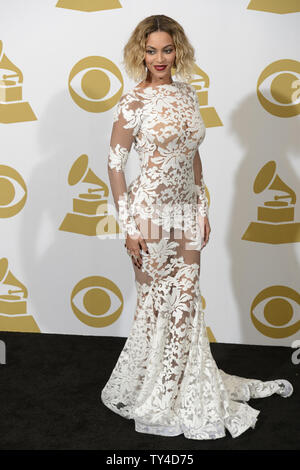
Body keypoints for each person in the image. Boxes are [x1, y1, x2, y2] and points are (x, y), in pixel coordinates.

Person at [100, 14, 293, 440]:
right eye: (151, 51)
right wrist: (128, 227)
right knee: (156, 305)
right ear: (141, 54)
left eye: (167, 49)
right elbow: (115, 167)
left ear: (178, 51)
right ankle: (159, 391)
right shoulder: (133, 102)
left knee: (187, 303)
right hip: (149, 212)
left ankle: (182, 386)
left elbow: (192, 153)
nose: (159, 58)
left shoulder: (187, 94)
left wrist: (202, 205)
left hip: (186, 211)